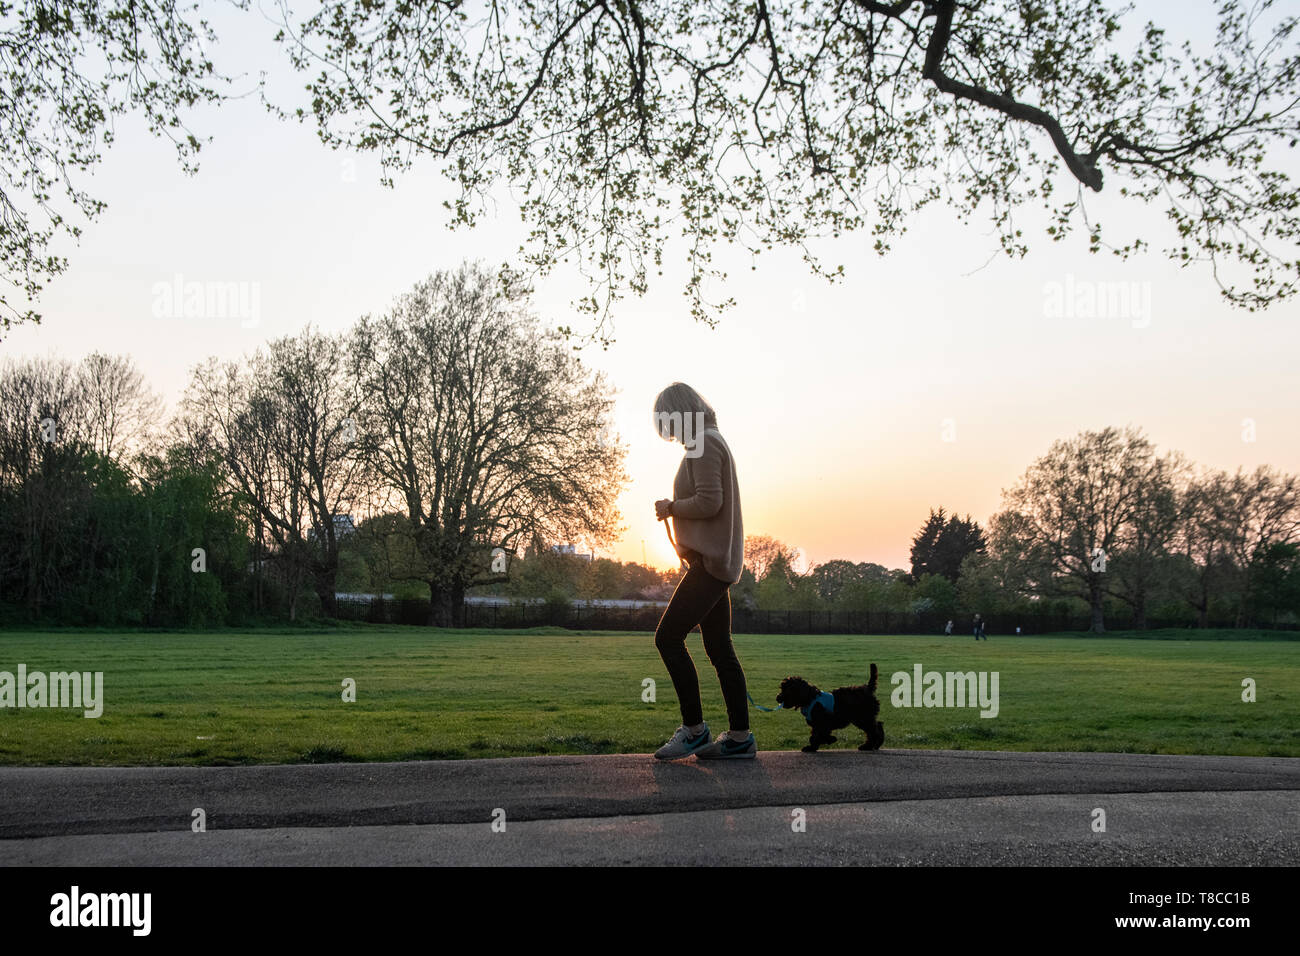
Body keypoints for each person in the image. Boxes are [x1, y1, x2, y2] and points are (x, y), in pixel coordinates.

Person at [650, 382, 753, 760]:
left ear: (679, 413)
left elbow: (710, 502)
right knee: (719, 648)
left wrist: (672, 507)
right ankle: (740, 737)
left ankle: (694, 730)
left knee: (668, 638)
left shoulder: (704, 443)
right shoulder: (712, 438)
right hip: (716, 562)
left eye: (668, 422)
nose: (669, 432)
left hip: (710, 565)